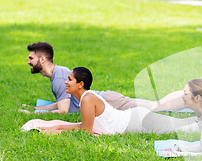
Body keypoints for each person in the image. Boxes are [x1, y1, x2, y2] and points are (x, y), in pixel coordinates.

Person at [22, 67, 199, 135]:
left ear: (80, 84)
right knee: (183, 126)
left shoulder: (87, 99)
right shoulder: (85, 98)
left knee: (186, 129)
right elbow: (84, 125)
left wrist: (53, 127)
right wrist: (49, 124)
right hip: (133, 120)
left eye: (70, 79)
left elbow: (84, 129)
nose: (66, 82)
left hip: (136, 121)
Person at [22, 42, 184, 114]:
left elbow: (63, 111)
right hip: (106, 100)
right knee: (154, 105)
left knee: (156, 107)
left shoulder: (58, 78)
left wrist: (33, 115)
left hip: (109, 101)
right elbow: (65, 104)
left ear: (42, 59)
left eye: (31, 58)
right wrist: (36, 109)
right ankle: (188, 96)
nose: (28, 62)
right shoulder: (58, 73)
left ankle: (189, 96)